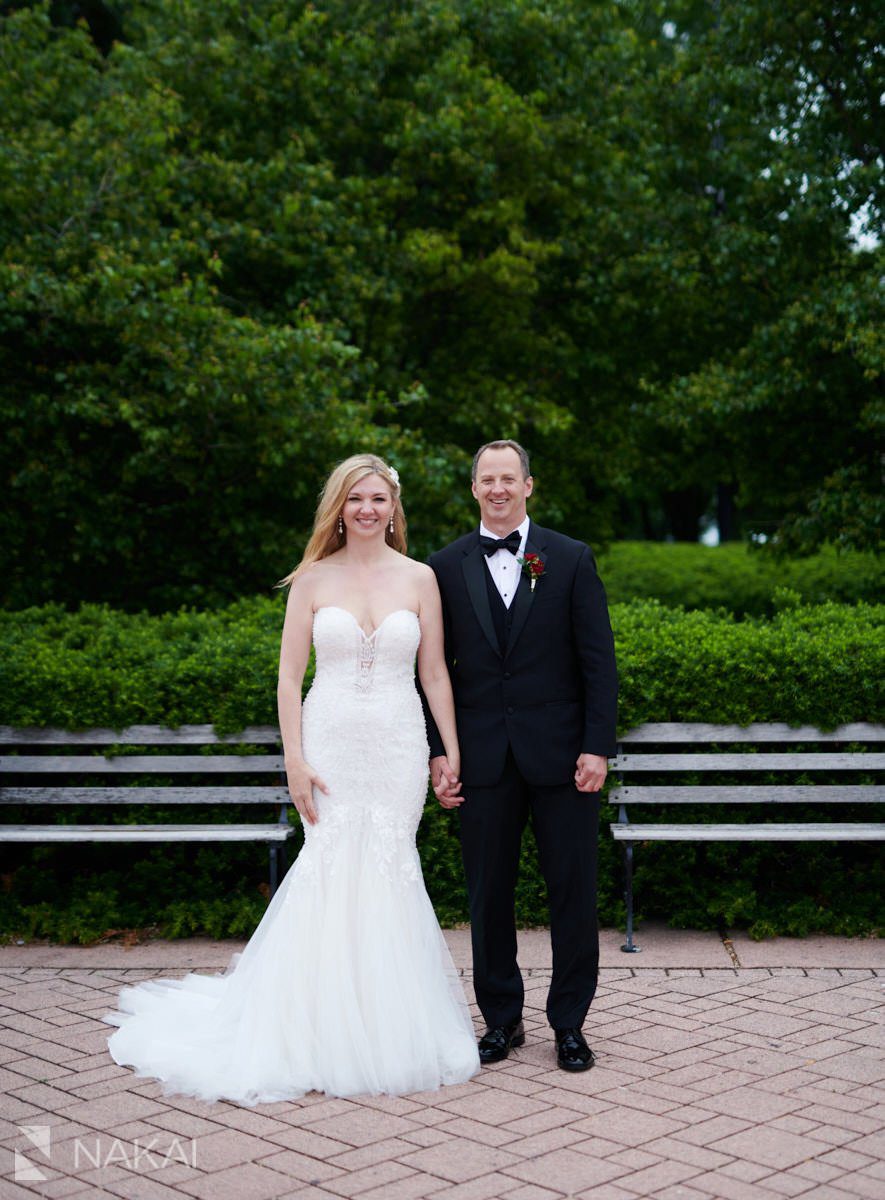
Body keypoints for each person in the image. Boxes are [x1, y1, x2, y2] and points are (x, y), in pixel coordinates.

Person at [105, 454, 480, 1103]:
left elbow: (434, 674)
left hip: (395, 747)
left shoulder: (420, 578)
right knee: (328, 869)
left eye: (377, 499)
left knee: (389, 866)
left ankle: (386, 1025)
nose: (367, 509)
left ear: (393, 508)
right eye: (355, 499)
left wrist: (450, 750)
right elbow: (287, 679)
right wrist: (295, 760)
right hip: (330, 743)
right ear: (338, 507)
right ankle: (310, 1028)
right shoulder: (311, 579)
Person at [426, 440, 617, 1072]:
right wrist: (438, 753)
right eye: (488, 479)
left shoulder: (569, 558)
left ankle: (569, 1026)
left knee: (572, 892)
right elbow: (430, 672)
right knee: (487, 897)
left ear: (529, 485)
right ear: (474, 488)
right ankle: (501, 1021)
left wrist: (597, 746)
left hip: (564, 759)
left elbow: (598, 664)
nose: (498, 489)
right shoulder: (445, 567)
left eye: (510, 478)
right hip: (482, 758)